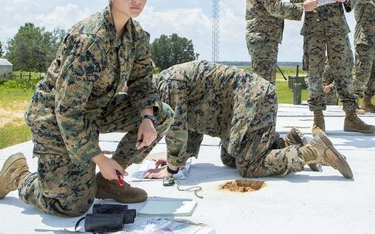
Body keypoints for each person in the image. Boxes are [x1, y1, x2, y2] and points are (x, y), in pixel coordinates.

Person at [0, 0, 173, 217]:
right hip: (55, 119)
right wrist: (99, 159)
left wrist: (147, 118)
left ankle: (109, 182)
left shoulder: (136, 36)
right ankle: (19, 177)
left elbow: (141, 82)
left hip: (96, 110)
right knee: (72, 205)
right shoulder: (90, 39)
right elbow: (67, 110)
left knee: (161, 114)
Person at [141, 61, 352, 180]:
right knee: (230, 158)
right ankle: (286, 144)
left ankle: (313, 152)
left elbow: (177, 129)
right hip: (245, 104)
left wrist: (171, 169)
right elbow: (189, 124)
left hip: (254, 100)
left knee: (250, 166)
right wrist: (181, 158)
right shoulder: (164, 83)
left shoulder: (166, 86)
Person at [290, 0, 375, 134]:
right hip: (314, 32)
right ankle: (318, 120)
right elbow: (295, 2)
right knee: (314, 75)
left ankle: (351, 117)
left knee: (345, 73)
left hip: (337, 31)